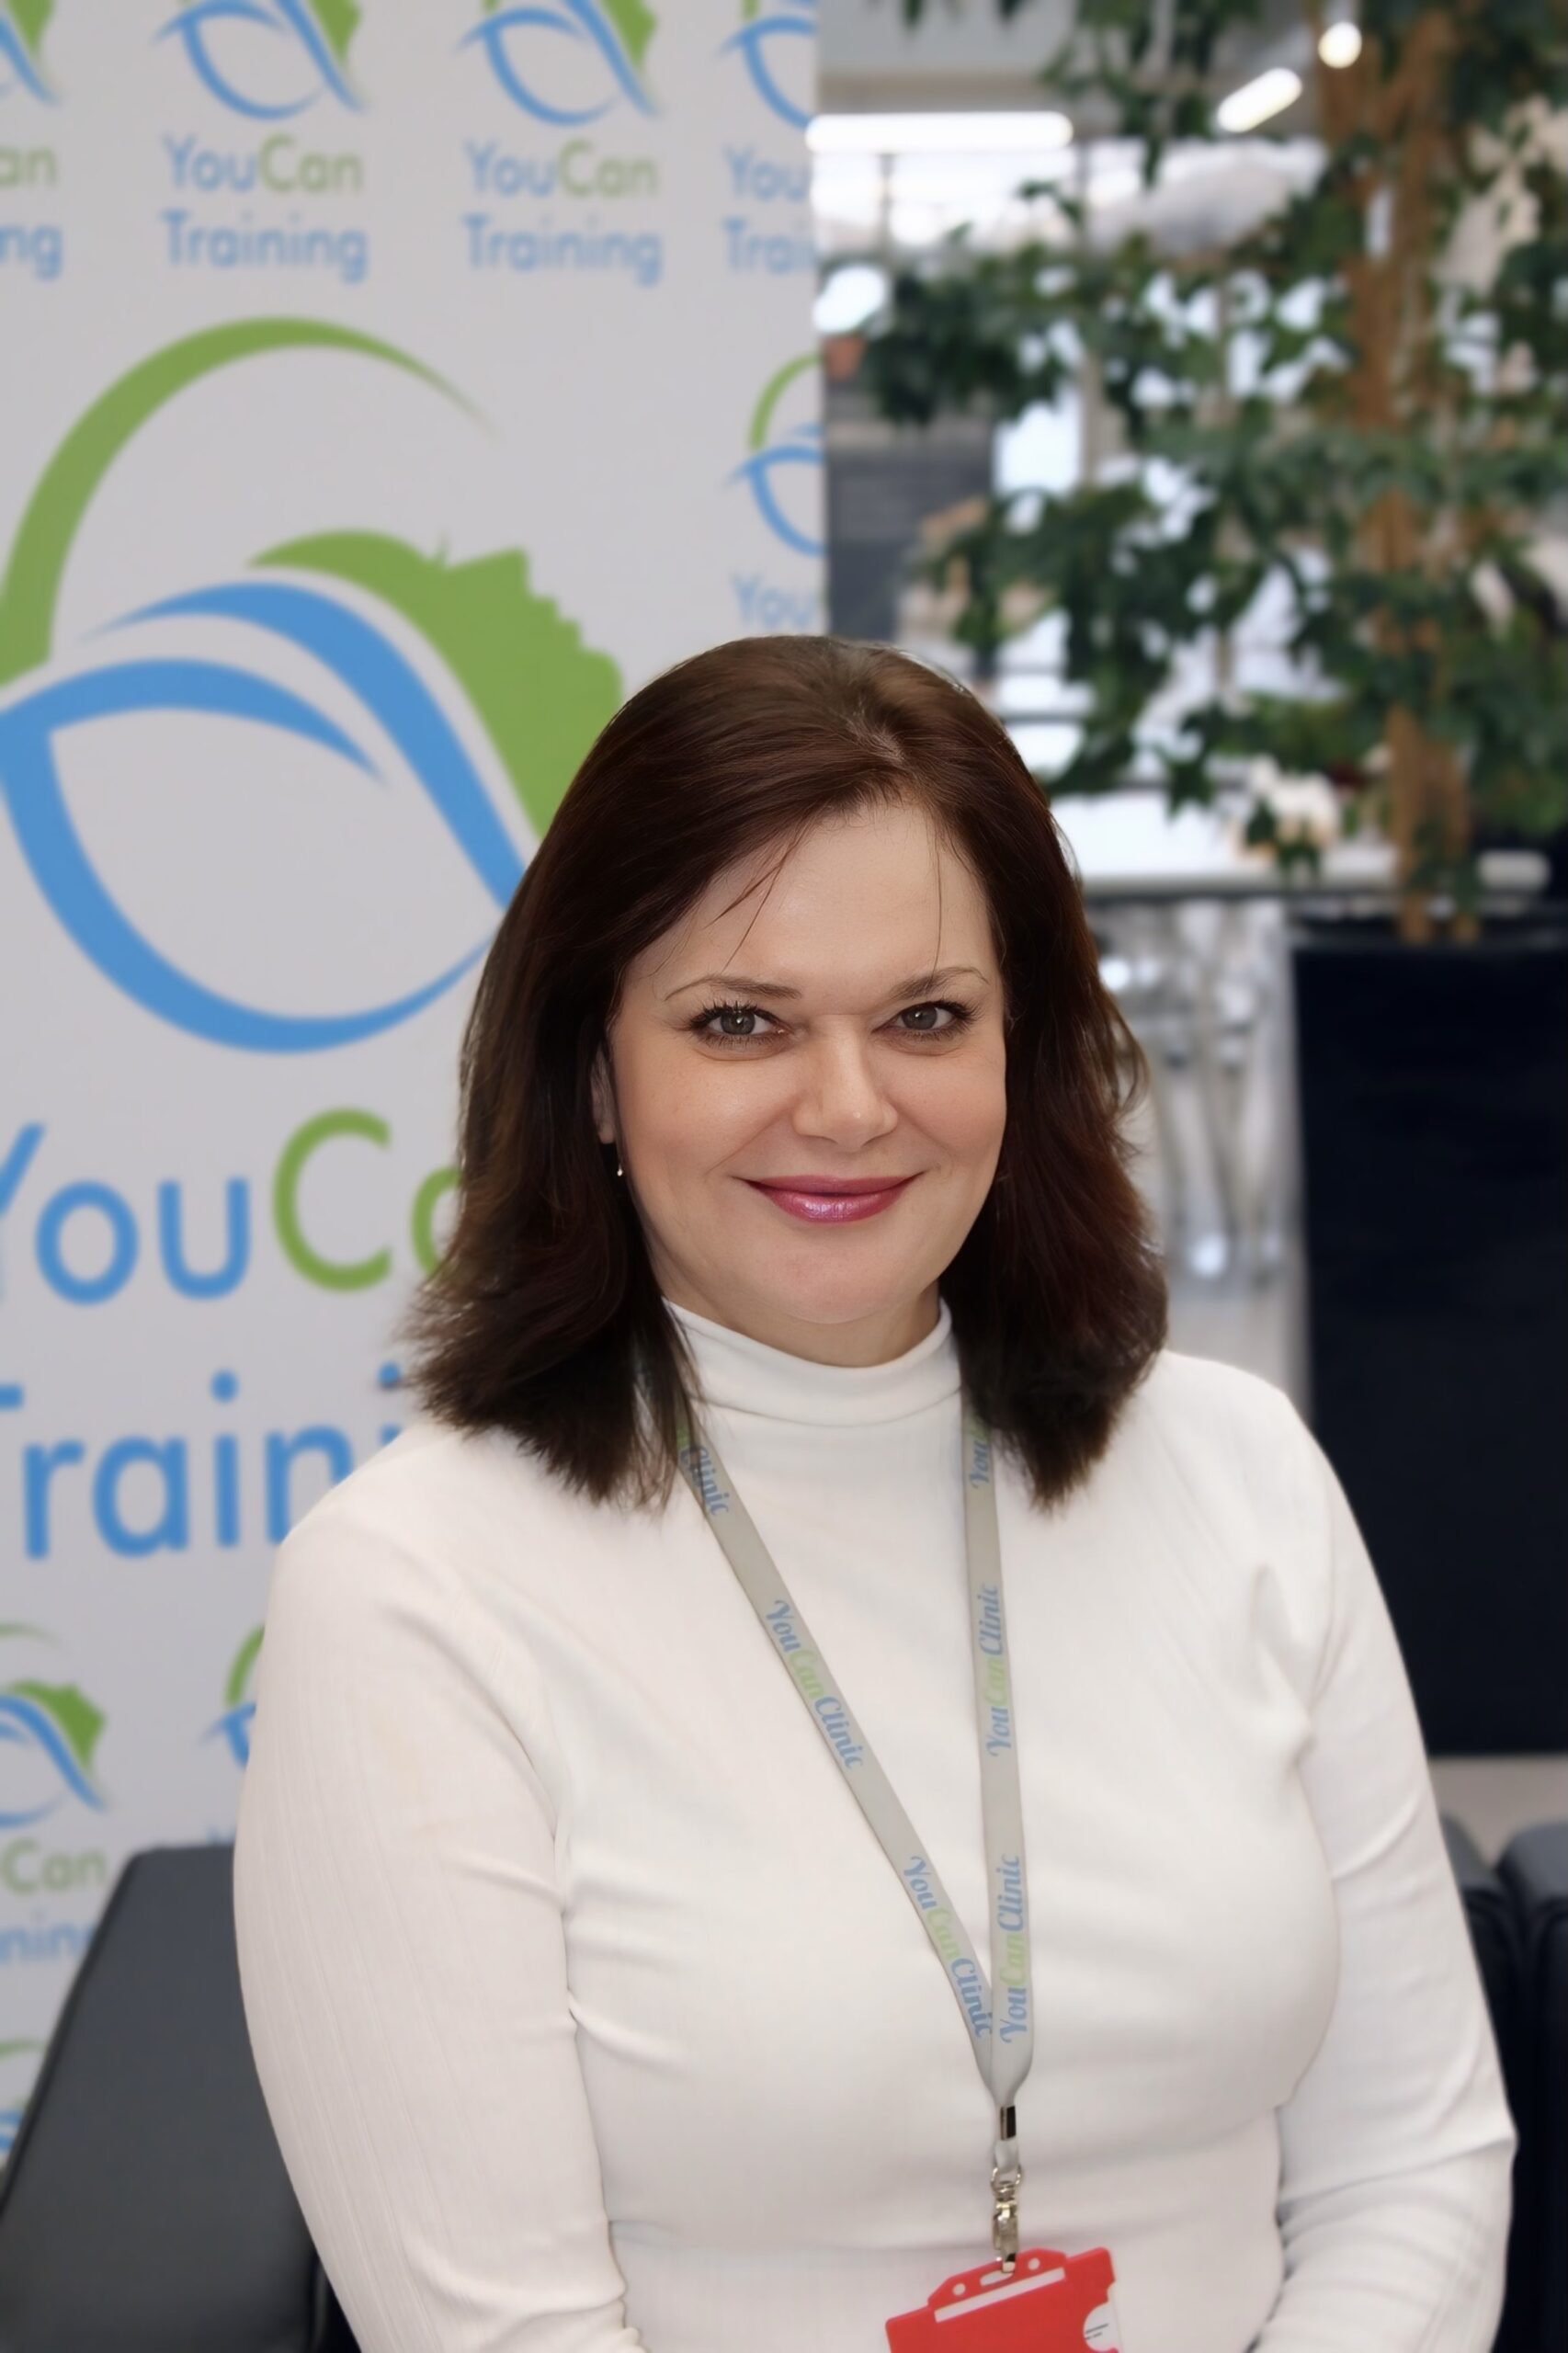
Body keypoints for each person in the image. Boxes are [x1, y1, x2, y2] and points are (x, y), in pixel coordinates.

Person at [232, 634, 1516, 2353]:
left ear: (1021, 1050)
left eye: (925, 1018)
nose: (846, 1107)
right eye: (739, 1022)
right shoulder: (414, 1587)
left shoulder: (1240, 1471)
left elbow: (1415, 2172)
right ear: (595, 1071)